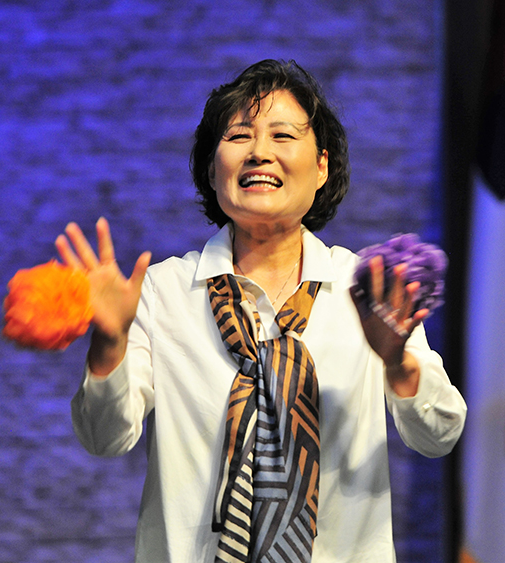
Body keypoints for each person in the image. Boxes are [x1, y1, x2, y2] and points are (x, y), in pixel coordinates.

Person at [56, 59, 466, 563]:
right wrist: (108, 346)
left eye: (283, 135)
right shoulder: (164, 291)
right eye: (239, 136)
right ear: (213, 170)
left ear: (322, 166)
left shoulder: (365, 288)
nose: (260, 152)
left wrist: (398, 362)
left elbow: (440, 434)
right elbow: (104, 438)